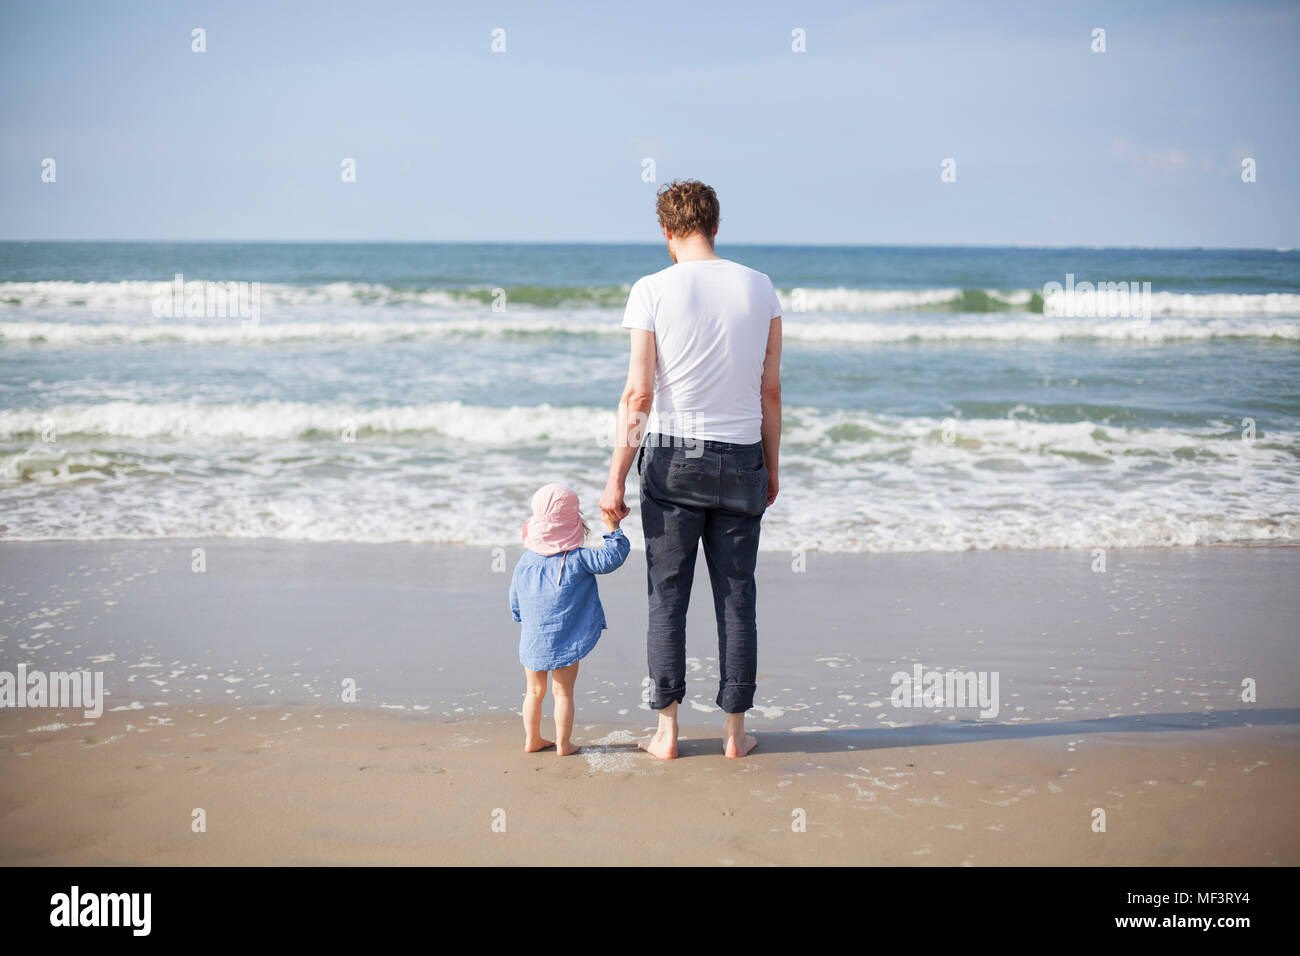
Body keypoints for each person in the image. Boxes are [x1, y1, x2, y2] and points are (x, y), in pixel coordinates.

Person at [599, 179, 783, 760]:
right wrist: (770, 468)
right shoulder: (761, 287)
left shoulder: (652, 289)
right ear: (717, 226)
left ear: (667, 232)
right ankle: (734, 735)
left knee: (666, 596)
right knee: (736, 597)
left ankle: (668, 733)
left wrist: (615, 478)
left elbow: (638, 394)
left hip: (675, 461)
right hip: (742, 456)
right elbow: (770, 390)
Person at [510, 483, 630, 755]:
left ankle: (532, 739)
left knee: (534, 691)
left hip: (533, 638)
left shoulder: (526, 561)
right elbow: (613, 557)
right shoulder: (579, 558)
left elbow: (514, 596)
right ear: (574, 522)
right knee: (562, 693)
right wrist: (613, 527)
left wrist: (521, 616)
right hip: (567, 639)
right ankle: (563, 744)